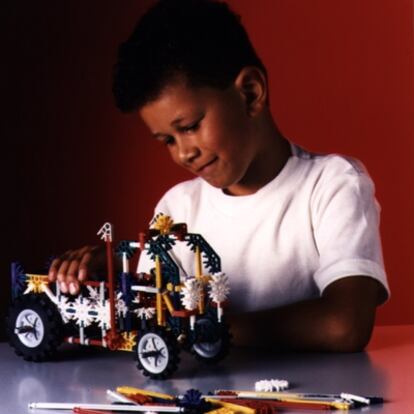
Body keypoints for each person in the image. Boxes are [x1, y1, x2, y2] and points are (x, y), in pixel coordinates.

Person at [48, 0, 389, 352]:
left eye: (191, 126)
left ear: (251, 93)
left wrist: (205, 331)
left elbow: (344, 326)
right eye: (167, 140)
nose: (183, 153)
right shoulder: (177, 207)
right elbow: (151, 316)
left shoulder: (332, 185)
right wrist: (114, 281)